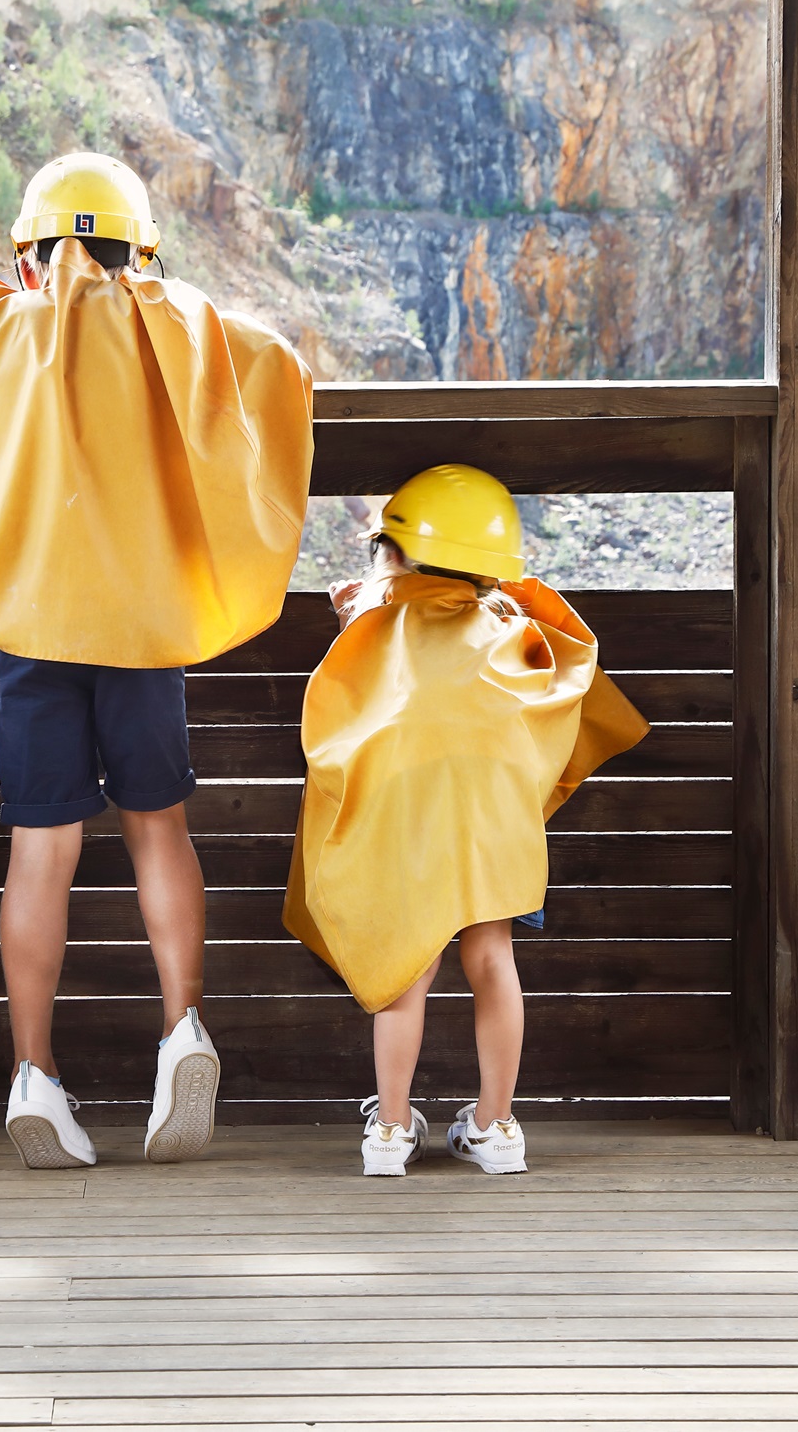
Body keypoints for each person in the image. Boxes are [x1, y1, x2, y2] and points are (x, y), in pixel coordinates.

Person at [0, 152, 313, 1168]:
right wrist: (161, 305)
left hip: (27, 626)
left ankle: (35, 1073)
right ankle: (181, 1029)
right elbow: (277, 365)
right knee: (159, 831)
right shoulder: (176, 331)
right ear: (139, 254)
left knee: (42, 849)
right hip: (143, 626)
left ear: (28, 253)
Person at [284, 465, 647, 1177]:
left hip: (406, 823)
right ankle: (496, 1126)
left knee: (406, 968)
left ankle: (391, 1131)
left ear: (397, 552)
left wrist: (356, 610)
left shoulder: (374, 624)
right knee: (492, 960)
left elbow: (348, 704)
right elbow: (559, 685)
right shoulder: (512, 626)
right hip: (492, 825)